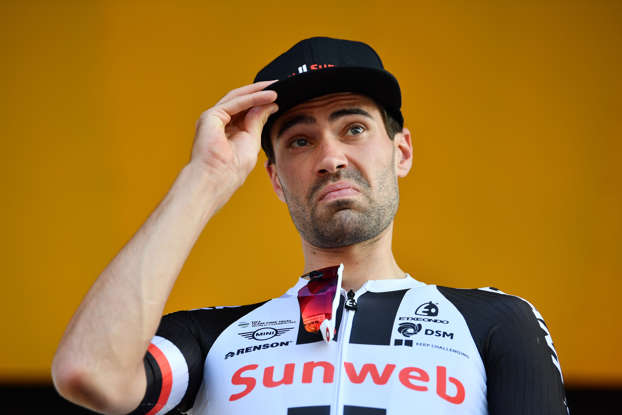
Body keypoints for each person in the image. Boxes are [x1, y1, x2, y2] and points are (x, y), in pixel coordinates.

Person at [52, 37, 569, 415]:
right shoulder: (211, 340)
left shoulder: (495, 322)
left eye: (354, 128)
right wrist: (204, 179)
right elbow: (89, 374)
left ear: (402, 152)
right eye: (300, 140)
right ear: (276, 179)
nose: (331, 158)